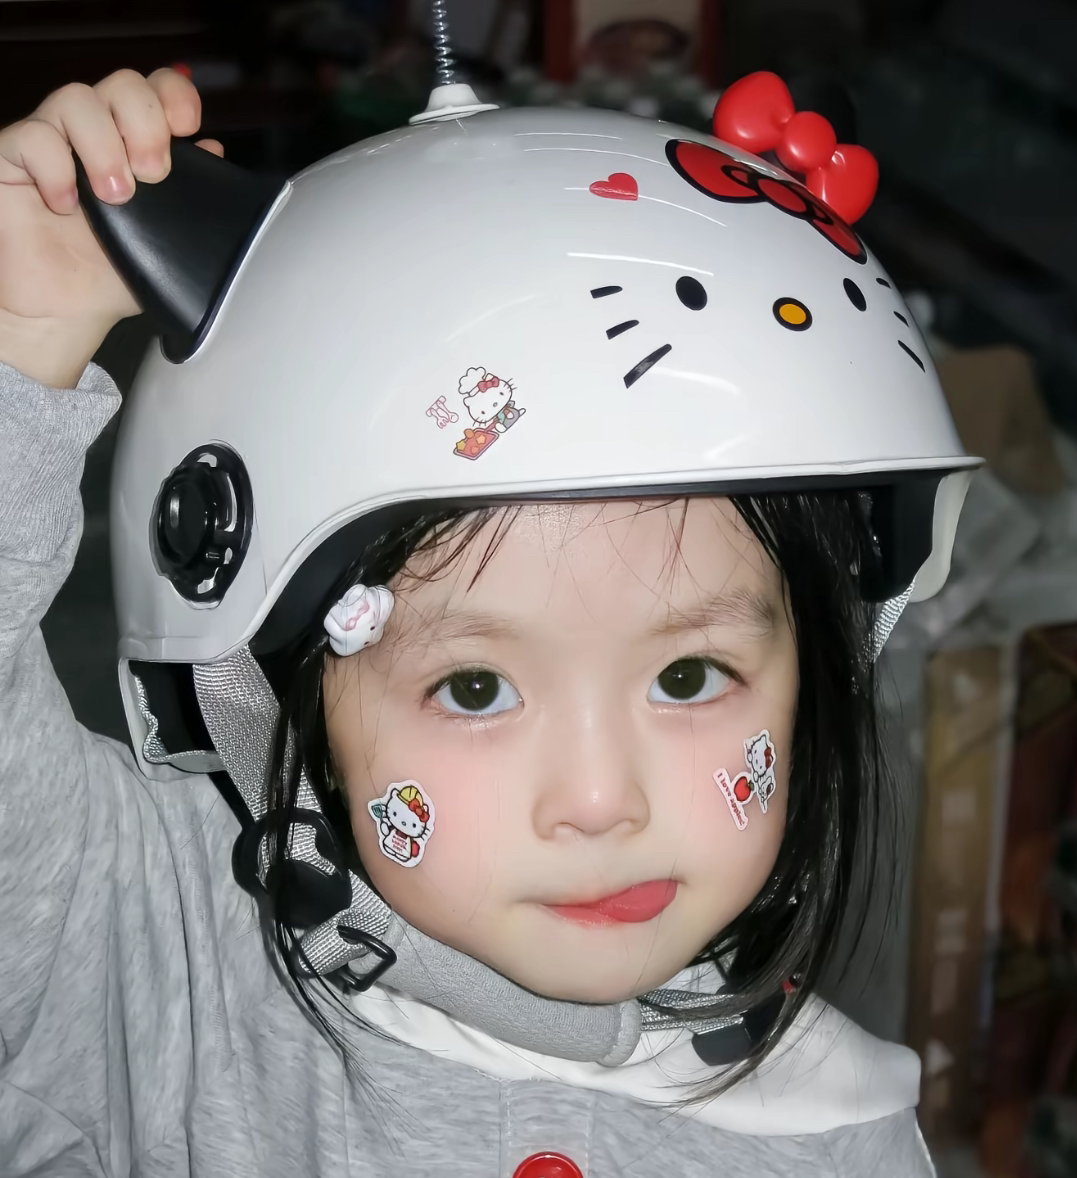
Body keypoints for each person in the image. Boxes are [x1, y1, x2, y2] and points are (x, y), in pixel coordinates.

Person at [0, 67, 973, 1176]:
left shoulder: (838, 1140)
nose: (600, 802)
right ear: (265, 694)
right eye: (475, 689)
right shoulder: (151, 957)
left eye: (690, 676)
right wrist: (21, 348)